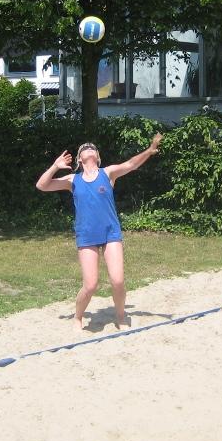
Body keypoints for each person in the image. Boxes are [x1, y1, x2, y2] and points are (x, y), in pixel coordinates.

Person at [36, 133, 163, 331]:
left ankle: (120, 316)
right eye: (84, 148)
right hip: (87, 235)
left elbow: (131, 164)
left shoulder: (108, 173)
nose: (89, 148)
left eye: (92, 147)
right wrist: (55, 166)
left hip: (111, 233)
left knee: (118, 281)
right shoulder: (73, 179)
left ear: (97, 156)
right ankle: (78, 317)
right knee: (90, 285)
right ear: (79, 159)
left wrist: (149, 150)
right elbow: (42, 185)